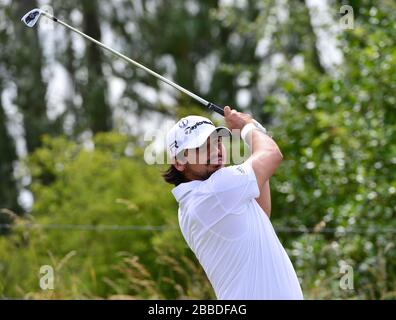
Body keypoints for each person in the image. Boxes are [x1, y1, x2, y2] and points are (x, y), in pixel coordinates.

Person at [162, 106, 303, 300]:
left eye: (217, 141)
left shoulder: (197, 200)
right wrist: (247, 127)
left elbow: (262, 212)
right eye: (203, 146)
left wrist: (257, 134)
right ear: (179, 162)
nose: (217, 150)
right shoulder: (214, 191)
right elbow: (272, 154)